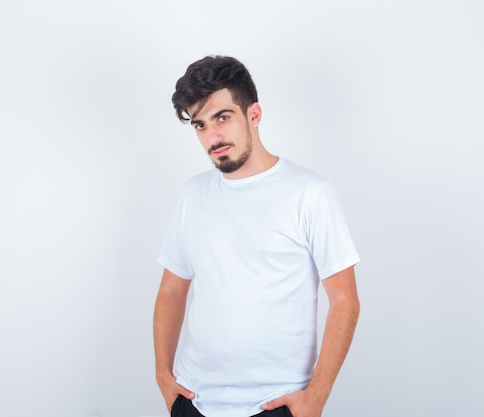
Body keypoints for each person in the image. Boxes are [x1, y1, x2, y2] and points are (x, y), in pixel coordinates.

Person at [153, 55, 360, 417]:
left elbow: (344, 299)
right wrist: (163, 377)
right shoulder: (194, 193)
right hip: (194, 401)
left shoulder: (309, 193)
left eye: (222, 117)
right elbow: (172, 288)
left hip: (275, 405)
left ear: (254, 115)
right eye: (200, 125)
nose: (212, 136)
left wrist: (317, 397)